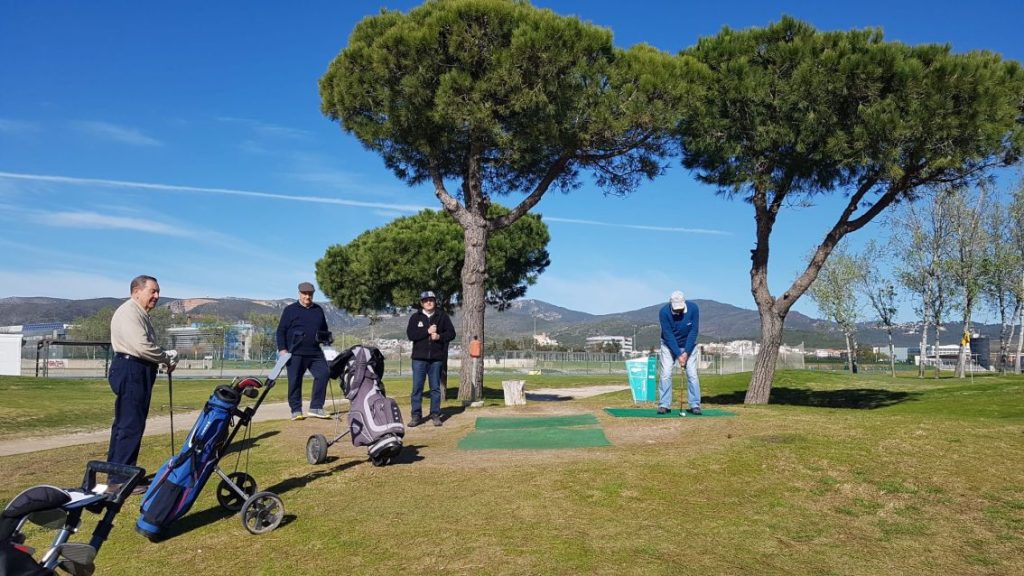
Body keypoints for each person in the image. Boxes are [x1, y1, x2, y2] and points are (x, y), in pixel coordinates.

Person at [107, 275, 178, 491]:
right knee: (130, 424)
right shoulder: (130, 312)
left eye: (158, 292)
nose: (157, 296)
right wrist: (166, 357)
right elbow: (142, 346)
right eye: (152, 291)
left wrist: (162, 358)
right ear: (136, 291)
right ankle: (120, 479)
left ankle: (120, 473)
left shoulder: (139, 313)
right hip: (131, 369)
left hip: (136, 368)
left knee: (126, 423)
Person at [276, 282, 332, 420]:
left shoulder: (318, 310)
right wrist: (282, 349)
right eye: (304, 294)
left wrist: (327, 341)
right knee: (295, 380)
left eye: (310, 294)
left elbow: (324, 330)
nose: (307, 296)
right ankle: (296, 410)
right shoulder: (290, 310)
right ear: (299, 294)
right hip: (294, 352)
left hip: (315, 352)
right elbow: (281, 331)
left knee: (324, 373)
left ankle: (316, 408)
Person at [406, 290, 456, 427]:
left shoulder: (442, 316)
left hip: (436, 359)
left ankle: (435, 415)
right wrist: (426, 332)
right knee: (417, 388)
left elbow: (452, 334)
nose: (428, 302)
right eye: (426, 300)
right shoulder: (415, 317)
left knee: (435, 389)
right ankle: (416, 416)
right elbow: (411, 335)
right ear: (422, 303)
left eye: (431, 300)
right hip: (419, 359)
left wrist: (439, 336)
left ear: (435, 302)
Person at [658, 290, 701, 415]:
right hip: (668, 345)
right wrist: (678, 354)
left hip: (689, 345)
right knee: (666, 373)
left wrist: (686, 352)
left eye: (680, 308)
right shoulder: (664, 312)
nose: (678, 312)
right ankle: (664, 404)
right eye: (676, 309)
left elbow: (694, 331)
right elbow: (668, 335)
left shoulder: (693, 308)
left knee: (692, 374)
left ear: (684, 302)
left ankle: (695, 404)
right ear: (670, 303)